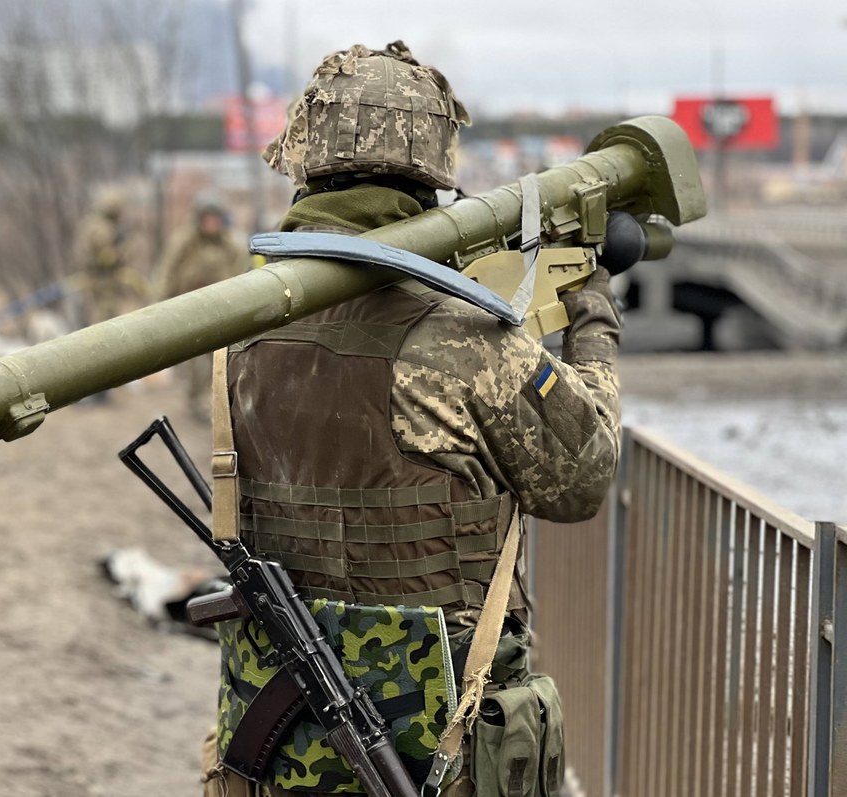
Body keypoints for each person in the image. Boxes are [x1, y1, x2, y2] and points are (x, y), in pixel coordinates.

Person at [202, 43, 621, 796]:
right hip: (440, 750)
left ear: (305, 160)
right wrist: (591, 309)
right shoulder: (461, 338)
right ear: (432, 166)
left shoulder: (240, 328)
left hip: (282, 755)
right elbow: (582, 477)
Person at [157, 194, 247, 422]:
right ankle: (197, 403)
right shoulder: (185, 242)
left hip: (220, 310)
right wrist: (160, 304)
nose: (212, 224)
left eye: (216, 219)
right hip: (190, 308)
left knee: (221, 361)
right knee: (196, 364)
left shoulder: (230, 245)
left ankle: (219, 403)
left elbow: (241, 274)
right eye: (207, 219)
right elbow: (168, 272)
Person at [74, 188, 132, 327]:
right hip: (102, 281)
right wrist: (120, 256)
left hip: (95, 278)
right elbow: (106, 255)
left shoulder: (93, 224)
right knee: (105, 318)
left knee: (99, 314)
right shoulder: (102, 228)